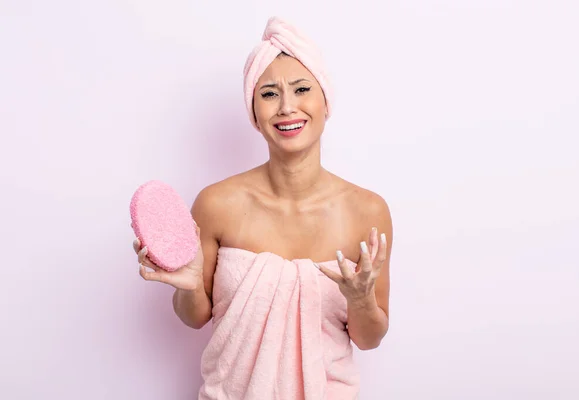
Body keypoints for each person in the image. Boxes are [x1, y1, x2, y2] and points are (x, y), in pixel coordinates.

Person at [133, 16, 393, 400]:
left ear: (325, 102)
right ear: (254, 113)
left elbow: (369, 339)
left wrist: (360, 300)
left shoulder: (367, 210)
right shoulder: (216, 203)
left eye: (302, 89)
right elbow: (195, 317)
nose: (287, 106)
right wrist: (188, 287)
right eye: (269, 94)